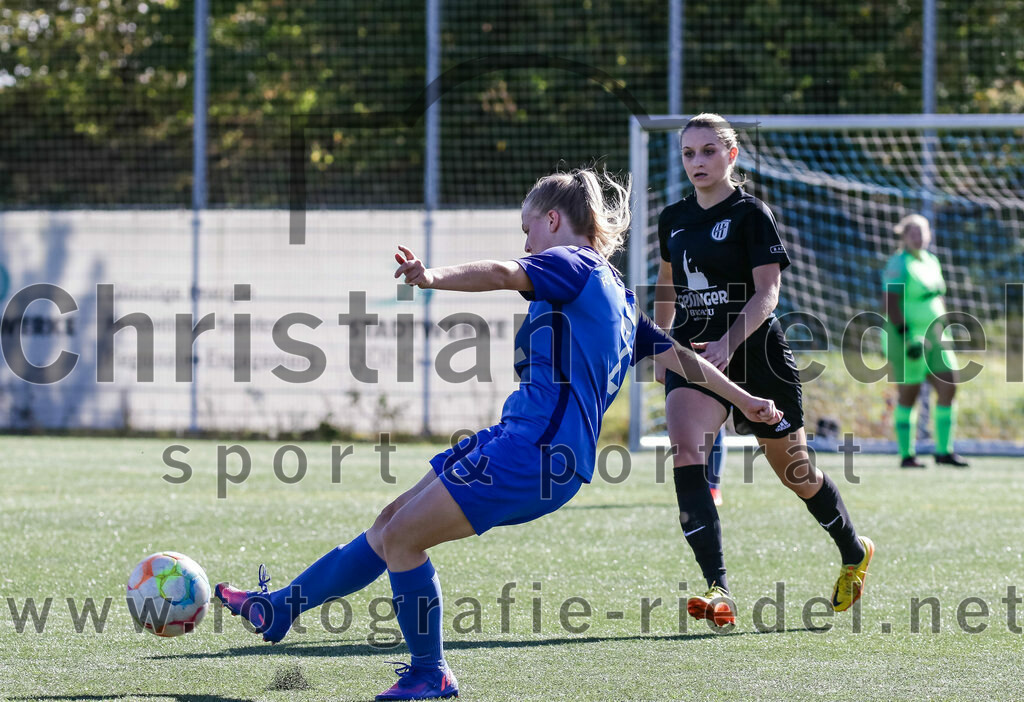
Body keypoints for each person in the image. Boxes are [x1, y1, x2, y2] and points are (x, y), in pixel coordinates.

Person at [214, 168, 782, 701]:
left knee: (406, 539)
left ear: (555, 221)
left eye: (528, 227)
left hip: (534, 454)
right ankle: (284, 607)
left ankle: (429, 673)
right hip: (528, 446)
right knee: (391, 522)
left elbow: (505, 273)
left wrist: (431, 277)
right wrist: (747, 400)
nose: (528, 242)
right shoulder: (619, 297)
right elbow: (683, 359)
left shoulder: (572, 264)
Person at [653, 113, 874, 626]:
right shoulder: (673, 218)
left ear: (731, 155)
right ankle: (718, 589)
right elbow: (666, 284)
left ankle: (852, 549)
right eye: (689, 153)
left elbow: (768, 293)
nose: (697, 161)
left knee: (795, 473)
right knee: (686, 450)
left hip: (757, 354)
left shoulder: (752, 213)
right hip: (694, 354)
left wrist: (729, 343)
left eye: (708, 151)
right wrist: (662, 347)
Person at [882, 213, 969, 468]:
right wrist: (906, 336)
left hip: (937, 335)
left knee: (949, 384)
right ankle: (907, 455)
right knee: (910, 393)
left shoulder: (932, 260)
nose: (918, 237)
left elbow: (937, 297)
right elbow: (889, 302)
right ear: (904, 237)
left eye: (922, 233)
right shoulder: (899, 263)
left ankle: (944, 451)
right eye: (913, 233)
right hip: (907, 336)